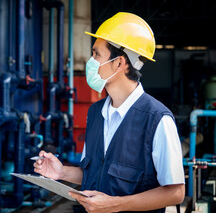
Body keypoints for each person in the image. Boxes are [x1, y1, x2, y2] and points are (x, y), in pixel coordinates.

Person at [34, 12, 185, 213]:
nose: (90, 61)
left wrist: (115, 204)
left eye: (96, 54)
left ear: (119, 63)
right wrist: (62, 172)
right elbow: (96, 173)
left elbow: (175, 193)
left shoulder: (157, 119)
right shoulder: (95, 112)